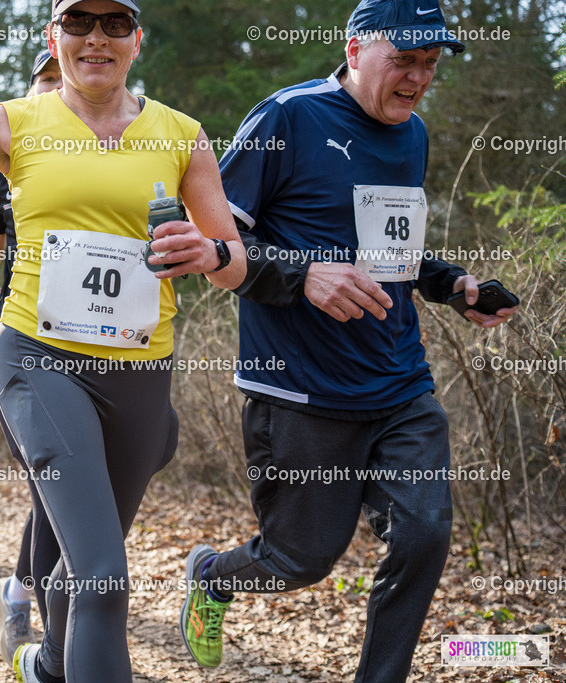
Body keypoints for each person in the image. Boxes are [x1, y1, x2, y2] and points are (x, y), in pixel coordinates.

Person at [0, 2, 246, 680]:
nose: (96, 38)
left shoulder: (183, 135)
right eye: (78, 23)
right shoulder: (14, 123)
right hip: (39, 357)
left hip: (140, 369)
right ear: (54, 38)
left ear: (137, 42)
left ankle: (44, 665)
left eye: (115, 24)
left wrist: (209, 253)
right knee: (104, 575)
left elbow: (236, 265)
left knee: (78, 561)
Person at [178, 1, 517, 680]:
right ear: (357, 49)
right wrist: (304, 274)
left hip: (399, 381)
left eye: (431, 63)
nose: (418, 78)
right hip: (301, 387)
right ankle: (214, 575)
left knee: (424, 533)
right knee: (299, 559)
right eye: (405, 59)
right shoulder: (288, 118)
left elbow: (391, 248)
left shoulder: (412, 134)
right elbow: (217, 244)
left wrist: (454, 284)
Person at [0, 48, 63, 663]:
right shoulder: (3, 163)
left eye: (63, 79)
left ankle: (19, 586)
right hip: (25, 339)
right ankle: (49, 621)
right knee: (53, 476)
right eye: (45, 81)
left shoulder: (128, 147)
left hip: (112, 344)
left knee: (79, 479)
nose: (57, 90)